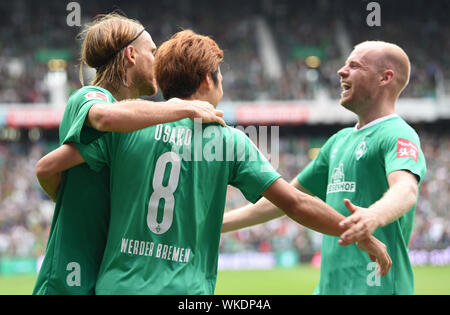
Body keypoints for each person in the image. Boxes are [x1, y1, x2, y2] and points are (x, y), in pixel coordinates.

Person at [36, 31, 391, 295]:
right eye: (220, 75)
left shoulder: (125, 127)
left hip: (116, 287)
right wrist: (358, 233)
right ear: (208, 79)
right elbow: (296, 203)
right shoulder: (228, 141)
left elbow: (49, 167)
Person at [33, 14, 225, 295]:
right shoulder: (91, 96)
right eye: (153, 52)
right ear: (131, 54)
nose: (157, 61)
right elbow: (49, 165)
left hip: (98, 280)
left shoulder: (132, 127)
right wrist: (185, 107)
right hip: (66, 282)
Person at [222, 41, 427, 295]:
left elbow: (406, 189)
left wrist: (372, 216)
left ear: (385, 78)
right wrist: (217, 224)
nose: (341, 71)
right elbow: (285, 199)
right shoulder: (338, 142)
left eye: (354, 65)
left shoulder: (397, 134)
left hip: (377, 288)